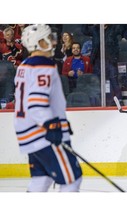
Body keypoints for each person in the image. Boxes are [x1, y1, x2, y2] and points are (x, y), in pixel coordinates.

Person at [14, 24, 82, 192]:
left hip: (29, 134)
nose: (52, 41)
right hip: (43, 135)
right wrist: (52, 125)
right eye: (48, 38)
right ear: (40, 42)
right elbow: (36, 103)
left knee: (41, 179)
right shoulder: (43, 65)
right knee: (72, 179)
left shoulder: (23, 66)